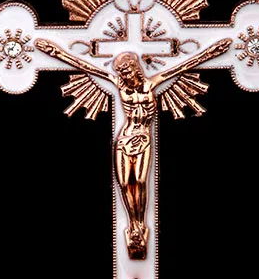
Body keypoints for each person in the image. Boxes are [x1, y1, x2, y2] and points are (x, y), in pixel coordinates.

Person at [35, 37, 231, 259]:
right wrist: (56, 53)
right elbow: (86, 66)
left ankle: (140, 223)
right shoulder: (119, 85)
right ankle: (133, 225)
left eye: (127, 71)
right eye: (122, 73)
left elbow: (183, 66)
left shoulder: (151, 83)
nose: (125, 76)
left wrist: (212, 52)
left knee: (139, 180)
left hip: (143, 138)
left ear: (136, 69)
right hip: (124, 139)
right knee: (125, 184)